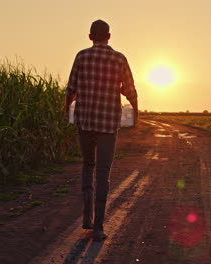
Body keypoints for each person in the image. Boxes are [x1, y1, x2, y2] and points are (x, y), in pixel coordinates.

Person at [65, 19, 138, 241]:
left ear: (90, 37)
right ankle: (98, 227)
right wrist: (136, 114)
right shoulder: (119, 58)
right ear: (109, 36)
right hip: (108, 124)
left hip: (85, 121)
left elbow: (71, 89)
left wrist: (66, 109)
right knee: (103, 172)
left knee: (88, 166)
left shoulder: (81, 56)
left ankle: (87, 218)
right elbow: (130, 90)